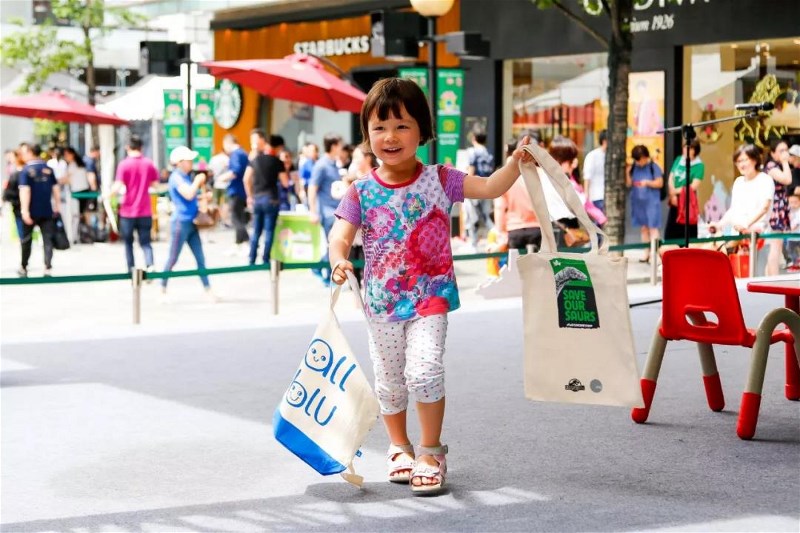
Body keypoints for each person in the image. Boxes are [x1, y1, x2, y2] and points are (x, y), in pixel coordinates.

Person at [327, 78, 533, 495]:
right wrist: (339, 259)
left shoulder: (441, 179)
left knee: (424, 371)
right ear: (366, 134)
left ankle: (430, 450)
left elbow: (491, 187)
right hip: (380, 302)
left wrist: (515, 164)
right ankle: (398, 446)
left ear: (423, 130)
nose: (390, 136)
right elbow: (339, 236)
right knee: (388, 379)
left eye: (402, 126)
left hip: (429, 298)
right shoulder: (360, 191)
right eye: (379, 126)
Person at [161, 146, 216, 301]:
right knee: (173, 258)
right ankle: (162, 287)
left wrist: (203, 197)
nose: (191, 162)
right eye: (188, 160)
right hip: (181, 222)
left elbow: (191, 197)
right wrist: (198, 182)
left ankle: (207, 289)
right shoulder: (177, 177)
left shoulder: (185, 177)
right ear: (179, 162)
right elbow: (188, 193)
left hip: (191, 222)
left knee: (200, 257)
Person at [109, 134, 159, 273]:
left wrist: (107, 194)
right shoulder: (149, 163)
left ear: (127, 147)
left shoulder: (124, 164)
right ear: (141, 147)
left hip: (128, 211)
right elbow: (155, 184)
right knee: (146, 242)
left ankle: (130, 268)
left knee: (128, 243)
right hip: (145, 210)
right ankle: (150, 265)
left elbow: (117, 186)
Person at [708, 144, 774, 242]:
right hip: (738, 237)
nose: (742, 164)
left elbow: (765, 208)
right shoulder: (738, 182)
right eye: (738, 161)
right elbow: (734, 209)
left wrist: (745, 224)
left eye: (745, 160)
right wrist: (719, 225)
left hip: (759, 237)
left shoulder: (765, 180)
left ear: (755, 160)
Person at [489, 137, 541, 253]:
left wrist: (501, 234)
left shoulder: (505, 176)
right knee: (539, 269)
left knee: (516, 268)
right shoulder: (542, 175)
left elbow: (499, 207)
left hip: (514, 229)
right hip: (538, 228)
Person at [17, 142, 60, 277]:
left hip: (31, 210)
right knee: (47, 239)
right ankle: (47, 266)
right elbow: (56, 189)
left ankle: (24, 266)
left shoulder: (25, 170)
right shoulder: (48, 169)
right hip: (47, 210)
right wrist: (57, 207)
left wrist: (25, 211)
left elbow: (25, 190)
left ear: (30, 152)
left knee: (26, 240)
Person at [244, 132, 286, 266]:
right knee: (268, 231)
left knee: (256, 230)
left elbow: (246, 179)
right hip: (271, 198)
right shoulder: (278, 161)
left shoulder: (255, 160)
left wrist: (249, 196)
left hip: (257, 198)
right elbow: (285, 182)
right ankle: (265, 259)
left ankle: (251, 258)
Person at [308, 133, 344, 285]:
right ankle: (328, 275)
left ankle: (318, 268)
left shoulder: (334, 164)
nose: (341, 148)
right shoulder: (321, 165)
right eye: (340, 145)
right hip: (327, 213)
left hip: (336, 211)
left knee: (334, 244)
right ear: (334, 146)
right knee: (334, 244)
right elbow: (312, 188)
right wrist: (313, 211)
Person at [627, 144, 664, 263]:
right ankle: (646, 253)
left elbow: (659, 183)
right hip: (638, 203)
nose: (639, 162)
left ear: (645, 156)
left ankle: (655, 254)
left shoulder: (653, 166)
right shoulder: (634, 167)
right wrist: (627, 172)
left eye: (640, 159)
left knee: (653, 228)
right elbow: (629, 183)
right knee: (644, 228)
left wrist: (647, 183)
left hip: (651, 202)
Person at [664, 139, 704, 241]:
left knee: (687, 229)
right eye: (684, 147)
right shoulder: (678, 159)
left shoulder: (699, 165)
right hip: (674, 199)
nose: (686, 150)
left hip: (687, 200)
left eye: (689, 148)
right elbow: (671, 178)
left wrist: (676, 192)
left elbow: (693, 186)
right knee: (671, 231)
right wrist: (672, 194)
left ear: (695, 150)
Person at [763, 139, 793, 275]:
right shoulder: (771, 166)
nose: (784, 153)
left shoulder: (776, 166)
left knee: (777, 246)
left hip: (779, 208)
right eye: (781, 151)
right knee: (775, 246)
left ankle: (766, 279)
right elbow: (787, 180)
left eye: (786, 150)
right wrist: (786, 162)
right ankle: (772, 280)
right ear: (773, 153)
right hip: (775, 209)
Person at [216, 134, 250, 253]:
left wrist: (221, 178)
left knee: (235, 217)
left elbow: (234, 172)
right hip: (243, 190)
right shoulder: (244, 153)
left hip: (236, 190)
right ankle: (239, 242)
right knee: (239, 216)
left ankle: (245, 240)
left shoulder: (236, 154)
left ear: (227, 143)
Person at [465, 131, 496, 249]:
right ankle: (494, 236)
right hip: (487, 187)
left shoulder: (473, 152)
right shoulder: (489, 153)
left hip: (475, 188)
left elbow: (471, 172)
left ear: (474, 138)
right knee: (486, 216)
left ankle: (473, 245)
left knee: (472, 217)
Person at [63, 146, 97, 229]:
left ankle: (82, 232)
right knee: (84, 212)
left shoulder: (73, 165)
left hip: (77, 192)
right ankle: (86, 231)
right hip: (84, 190)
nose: (65, 157)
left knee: (78, 214)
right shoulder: (81, 163)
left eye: (67, 154)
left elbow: (67, 180)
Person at [582, 129, 607, 214]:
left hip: (608, 196)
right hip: (597, 196)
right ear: (604, 141)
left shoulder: (612, 156)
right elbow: (587, 177)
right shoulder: (593, 156)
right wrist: (587, 196)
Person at [3, 149, 25, 240]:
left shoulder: (21, 168)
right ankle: (22, 237)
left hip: (19, 196)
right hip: (15, 196)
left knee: (21, 217)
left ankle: (23, 238)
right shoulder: (11, 166)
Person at [785, 192, 800, 271]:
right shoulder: (789, 211)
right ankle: (795, 262)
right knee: (789, 249)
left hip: (798, 235)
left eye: (795, 202)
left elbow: (797, 223)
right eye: (791, 202)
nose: (793, 204)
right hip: (791, 237)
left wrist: (791, 228)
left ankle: (797, 261)